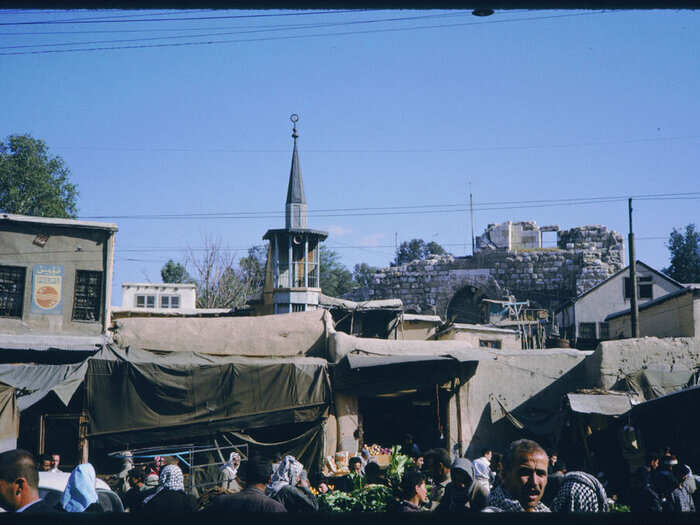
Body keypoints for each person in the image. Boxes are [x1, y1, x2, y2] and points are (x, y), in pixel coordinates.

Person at [485, 439, 550, 512]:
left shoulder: (542, 509)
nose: (534, 482)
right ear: (504, 474)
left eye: (540, 473)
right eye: (525, 472)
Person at [206, 456, 286, 512]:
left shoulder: (221, 502)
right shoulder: (275, 508)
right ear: (269, 480)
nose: (236, 462)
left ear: (244, 476)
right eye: (234, 460)